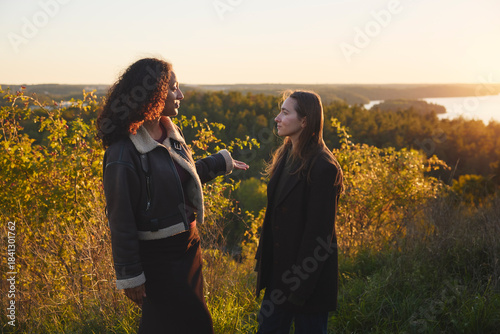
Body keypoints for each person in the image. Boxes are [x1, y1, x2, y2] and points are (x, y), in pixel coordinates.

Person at [96, 57, 248, 333]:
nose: (181, 95)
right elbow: (121, 219)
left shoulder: (169, 133)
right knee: (170, 326)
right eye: (174, 88)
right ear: (153, 93)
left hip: (188, 247)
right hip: (158, 258)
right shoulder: (122, 152)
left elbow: (178, 180)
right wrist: (130, 276)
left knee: (192, 324)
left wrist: (219, 162)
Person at [254, 90, 344, 334]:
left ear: (304, 121)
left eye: (285, 112)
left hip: (306, 283)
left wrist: (298, 289)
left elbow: (319, 235)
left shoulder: (324, 167)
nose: (277, 118)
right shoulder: (285, 155)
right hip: (278, 277)